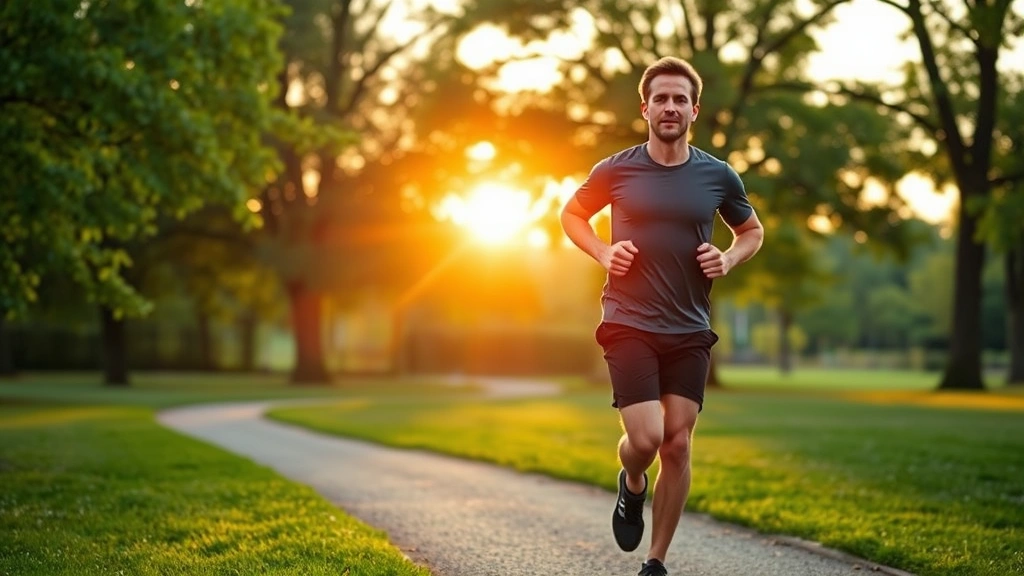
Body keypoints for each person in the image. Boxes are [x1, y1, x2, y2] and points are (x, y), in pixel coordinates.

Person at [559, 56, 764, 576]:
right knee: (647, 440)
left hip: (690, 326)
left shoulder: (718, 175)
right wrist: (604, 254)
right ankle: (631, 482)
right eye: (661, 98)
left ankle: (656, 562)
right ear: (644, 107)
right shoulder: (616, 169)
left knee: (677, 443)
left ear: (694, 109)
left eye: (679, 99)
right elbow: (572, 215)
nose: (669, 107)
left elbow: (752, 232)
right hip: (628, 319)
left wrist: (729, 258)